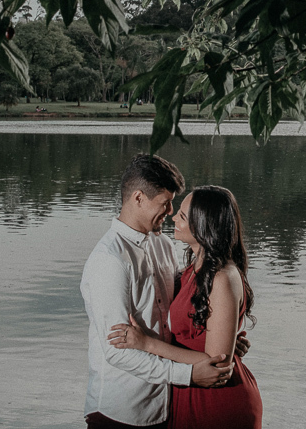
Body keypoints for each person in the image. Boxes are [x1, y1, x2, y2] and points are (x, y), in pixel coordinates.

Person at [81, 154, 242, 429]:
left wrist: (225, 337)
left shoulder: (164, 245)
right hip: (122, 410)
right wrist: (189, 374)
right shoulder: (109, 260)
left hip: (168, 407)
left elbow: (189, 307)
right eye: (165, 203)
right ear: (138, 198)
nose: (170, 212)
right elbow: (117, 352)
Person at [108, 185, 262, 429]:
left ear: (204, 225)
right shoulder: (190, 273)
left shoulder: (222, 278)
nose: (172, 217)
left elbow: (218, 363)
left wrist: (147, 344)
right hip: (187, 392)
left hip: (216, 402)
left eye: (182, 215)